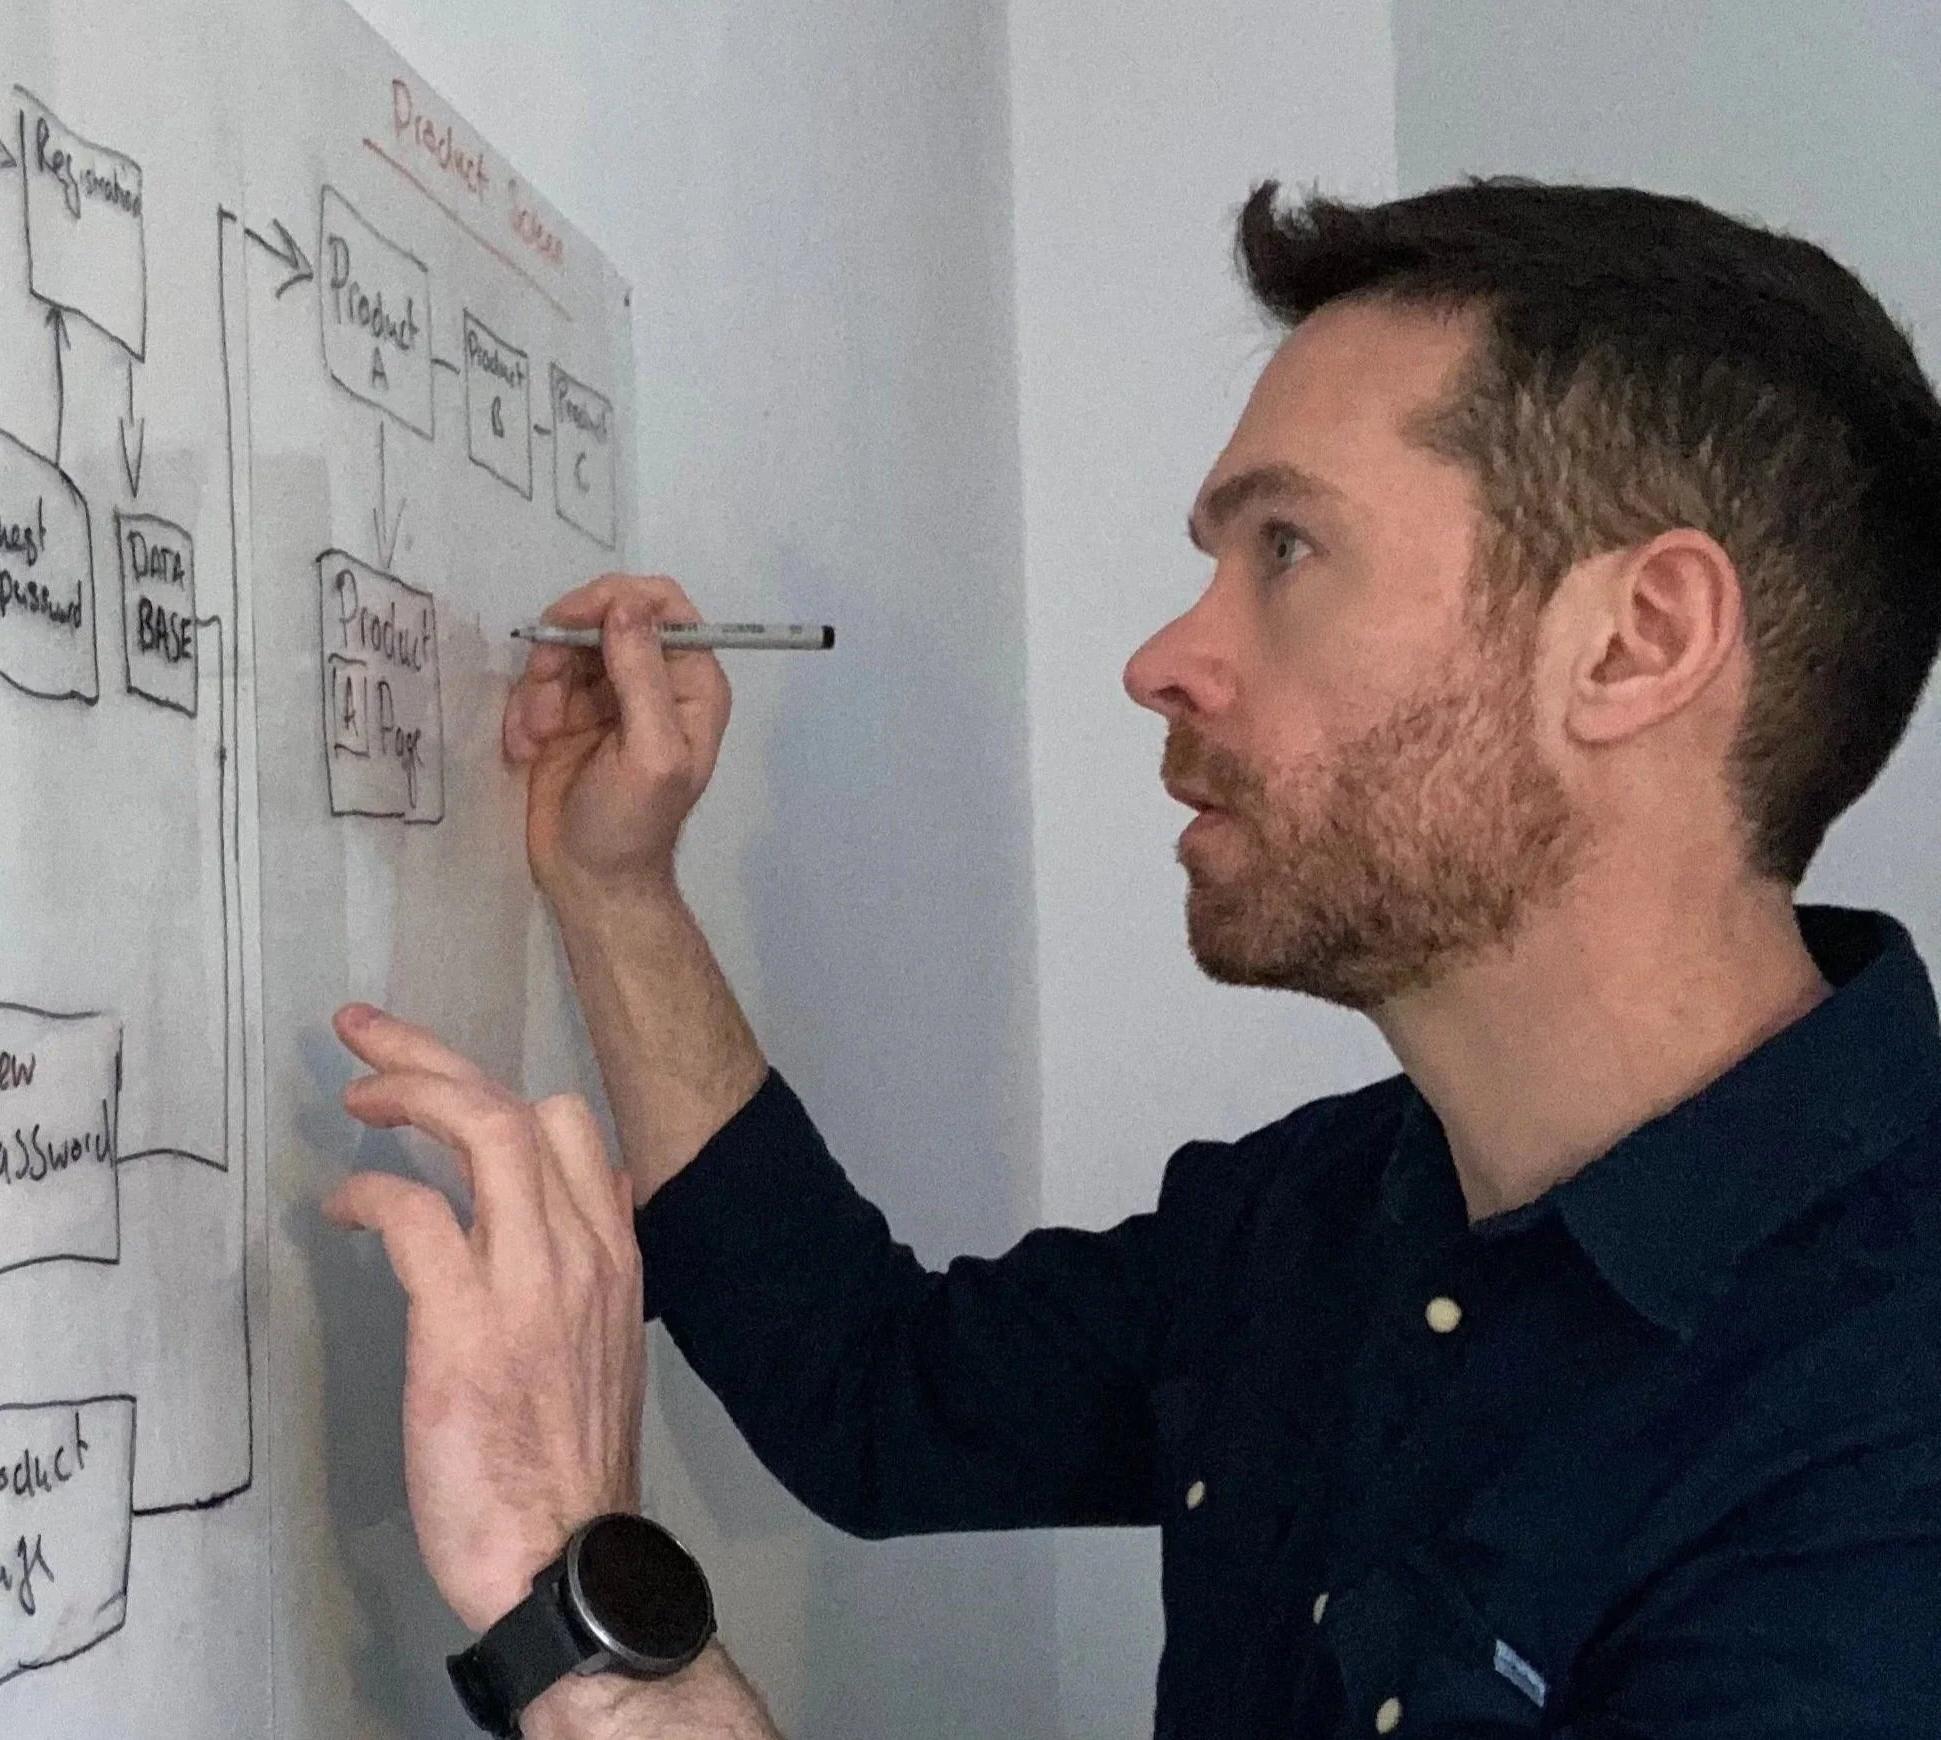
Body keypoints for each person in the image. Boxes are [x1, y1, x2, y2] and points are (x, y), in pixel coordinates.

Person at [328, 177, 1941, 1738]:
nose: (1163, 660)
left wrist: (591, 1632)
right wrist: (616, 889)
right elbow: (875, 1397)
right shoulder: (1325, 1218)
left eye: (1287, 548)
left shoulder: (1890, 1427)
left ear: (1637, 643)